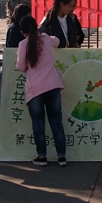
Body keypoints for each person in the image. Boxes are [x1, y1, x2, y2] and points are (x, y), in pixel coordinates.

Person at [16, 14, 67, 166]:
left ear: (23, 31)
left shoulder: (23, 44)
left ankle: (42, 157)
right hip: (52, 85)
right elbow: (57, 42)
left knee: (38, 123)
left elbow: (21, 67)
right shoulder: (45, 38)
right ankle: (61, 157)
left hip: (35, 89)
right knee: (56, 122)